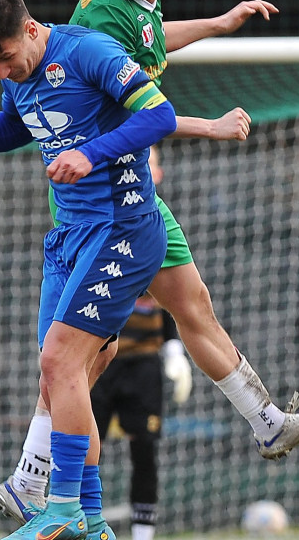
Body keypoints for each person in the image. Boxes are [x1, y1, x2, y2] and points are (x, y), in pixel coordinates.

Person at [0, 0, 299, 528]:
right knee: (78, 358)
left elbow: (152, 42)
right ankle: (38, 481)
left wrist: (218, 23)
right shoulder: (99, 18)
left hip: (135, 196)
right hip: (100, 207)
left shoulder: (136, 5)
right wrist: (209, 126)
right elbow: (137, 113)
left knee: (191, 306)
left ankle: (266, 421)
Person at [0, 0, 180, 540]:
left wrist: (90, 155)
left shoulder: (88, 52)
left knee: (61, 362)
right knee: (62, 375)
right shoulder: (17, 76)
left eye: (6, 57)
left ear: (31, 28)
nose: (2, 71)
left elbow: (160, 116)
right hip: (69, 236)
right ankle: (91, 519)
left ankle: (59, 507)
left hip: (122, 226)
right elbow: (15, 128)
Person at [87, 146, 191, 540]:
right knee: (83, 447)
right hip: (99, 359)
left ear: (157, 174)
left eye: (150, 163)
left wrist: (173, 350)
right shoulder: (100, 216)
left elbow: (173, 296)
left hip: (143, 364)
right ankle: (79, 523)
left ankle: (142, 535)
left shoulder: (163, 228)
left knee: (144, 449)